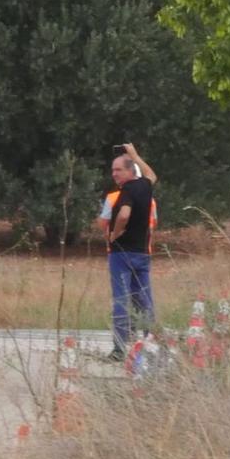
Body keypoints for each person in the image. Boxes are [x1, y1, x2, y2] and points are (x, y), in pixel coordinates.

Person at [103, 143, 158, 362]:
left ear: (129, 171)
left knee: (121, 299)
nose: (114, 174)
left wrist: (115, 233)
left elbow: (124, 215)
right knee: (144, 298)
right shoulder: (144, 186)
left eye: (118, 170)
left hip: (121, 254)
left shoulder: (126, 191)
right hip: (142, 253)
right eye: (113, 170)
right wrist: (135, 155)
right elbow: (151, 174)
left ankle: (119, 348)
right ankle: (150, 342)